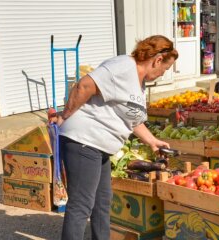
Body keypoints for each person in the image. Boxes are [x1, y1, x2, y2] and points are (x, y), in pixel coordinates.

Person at [56, 35, 178, 240]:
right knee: (81, 204)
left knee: (103, 200)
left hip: (101, 145)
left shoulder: (139, 82)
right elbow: (84, 86)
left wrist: (152, 141)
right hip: (84, 140)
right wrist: (65, 116)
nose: (162, 75)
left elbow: (131, 118)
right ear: (157, 60)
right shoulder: (122, 67)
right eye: (164, 70)